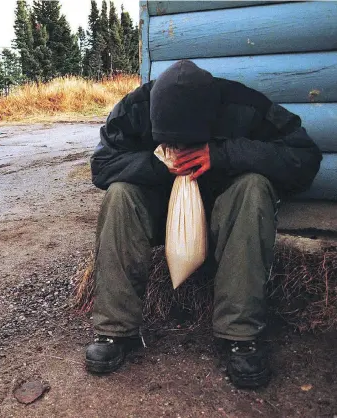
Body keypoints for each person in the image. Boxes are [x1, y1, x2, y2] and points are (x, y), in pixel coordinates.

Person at [85, 60, 322, 389]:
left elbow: (305, 158)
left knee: (253, 187)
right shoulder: (135, 107)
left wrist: (223, 154)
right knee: (120, 194)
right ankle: (114, 331)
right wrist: (156, 165)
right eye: (171, 139)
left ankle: (240, 335)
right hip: (161, 210)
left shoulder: (244, 106)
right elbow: (101, 166)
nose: (181, 148)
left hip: (227, 212)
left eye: (189, 141)